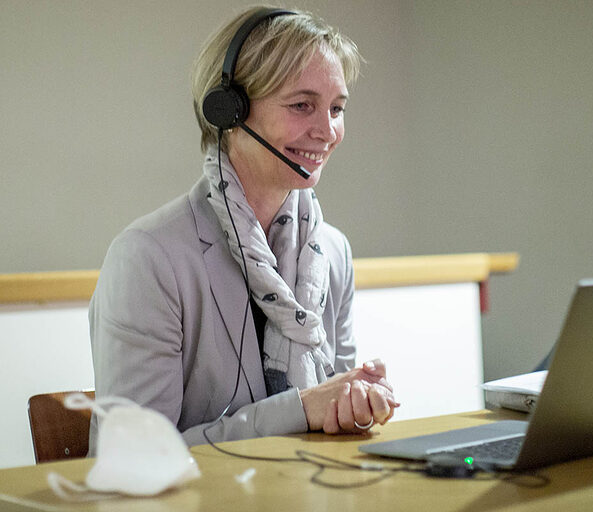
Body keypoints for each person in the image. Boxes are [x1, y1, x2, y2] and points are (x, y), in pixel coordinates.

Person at [88, 5, 397, 449]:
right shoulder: (147, 258)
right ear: (228, 112)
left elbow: (333, 427)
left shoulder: (332, 252)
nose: (327, 131)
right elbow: (133, 456)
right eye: (302, 105)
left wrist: (355, 403)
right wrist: (303, 409)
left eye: (336, 108)